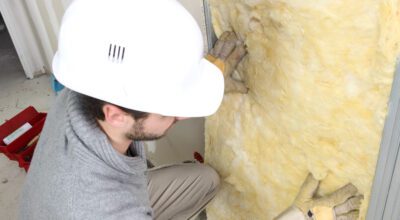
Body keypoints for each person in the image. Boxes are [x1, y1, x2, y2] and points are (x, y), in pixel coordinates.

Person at [19, 0, 362, 219]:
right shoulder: (104, 209)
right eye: (170, 110)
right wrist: (302, 217)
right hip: (90, 206)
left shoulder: (87, 85)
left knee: (204, 181)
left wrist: (202, 76)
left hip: (80, 196)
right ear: (117, 115)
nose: (183, 116)